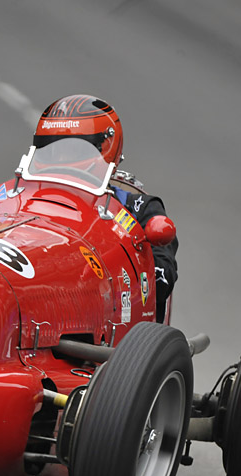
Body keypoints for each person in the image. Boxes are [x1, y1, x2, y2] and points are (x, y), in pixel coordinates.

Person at [32, 94, 179, 323]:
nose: (59, 158)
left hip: (109, 328)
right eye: (50, 148)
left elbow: (159, 285)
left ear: (104, 146)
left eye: (71, 149)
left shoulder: (139, 209)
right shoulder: (26, 198)